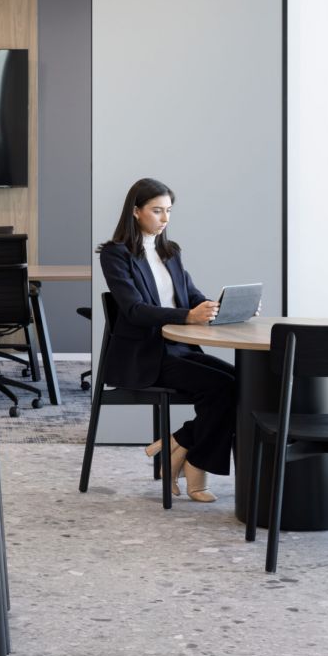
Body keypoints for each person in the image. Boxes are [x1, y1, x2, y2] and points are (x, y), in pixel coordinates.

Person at [98, 177, 235, 503]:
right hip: (146, 356)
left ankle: (177, 445)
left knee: (240, 383)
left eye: (169, 211)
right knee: (224, 388)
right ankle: (195, 466)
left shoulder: (170, 252)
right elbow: (134, 310)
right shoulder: (116, 255)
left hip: (179, 349)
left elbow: (192, 296)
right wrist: (188, 316)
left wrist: (219, 308)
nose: (165, 218)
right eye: (157, 210)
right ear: (136, 211)